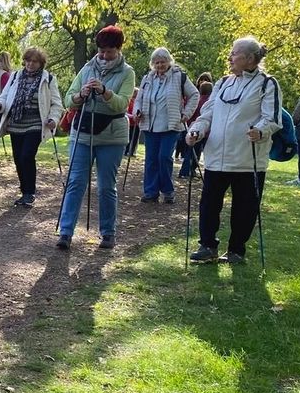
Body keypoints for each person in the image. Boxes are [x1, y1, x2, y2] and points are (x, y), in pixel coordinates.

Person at [186, 36, 281, 264]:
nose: (229, 57)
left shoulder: (267, 84)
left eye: (234, 53)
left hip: (248, 158)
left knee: (245, 207)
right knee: (209, 204)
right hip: (216, 156)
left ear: (249, 58)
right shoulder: (223, 82)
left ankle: (236, 249)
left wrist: (260, 130)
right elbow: (207, 113)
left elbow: (273, 118)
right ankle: (207, 246)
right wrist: (196, 130)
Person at [56, 26, 137, 250]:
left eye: (108, 51)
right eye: (100, 51)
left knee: (106, 186)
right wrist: (80, 94)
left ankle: (108, 233)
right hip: (82, 132)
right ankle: (65, 232)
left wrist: (104, 91)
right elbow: (67, 100)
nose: (103, 55)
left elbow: (122, 103)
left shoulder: (127, 72)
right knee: (75, 182)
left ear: (118, 49)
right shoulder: (87, 68)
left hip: (112, 136)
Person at [0, 47, 63, 207]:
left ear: (41, 63)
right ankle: (24, 191)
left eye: (34, 61)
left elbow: (57, 104)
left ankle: (30, 192)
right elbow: (5, 95)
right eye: (28, 60)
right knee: (18, 158)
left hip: (36, 123)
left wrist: (53, 118)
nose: (30, 64)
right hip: (16, 123)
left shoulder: (48, 79)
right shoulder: (16, 75)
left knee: (26, 155)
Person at [134, 47, 198, 204]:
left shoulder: (179, 77)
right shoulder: (147, 78)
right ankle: (151, 192)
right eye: (156, 62)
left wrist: (187, 114)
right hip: (150, 125)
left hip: (171, 125)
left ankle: (168, 191)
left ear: (169, 62)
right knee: (151, 159)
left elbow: (194, 94)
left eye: (162, 62)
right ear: (152, 64)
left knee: (164, 158)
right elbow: (138, 99)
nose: (159, 65)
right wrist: (137, 111)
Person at [178, 80, 212, 178]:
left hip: (192, 129)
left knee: (191, 152)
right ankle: (188, 171)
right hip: (203, 132)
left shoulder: (197, 100)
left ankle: (187, 171)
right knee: (195, 153)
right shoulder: (208, 102)